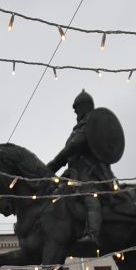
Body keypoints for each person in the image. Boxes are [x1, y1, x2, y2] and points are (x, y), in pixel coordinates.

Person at [45, 90, 113, 248]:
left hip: (92, 173)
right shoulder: (81, 126)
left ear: (84, 107)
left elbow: (73, 147)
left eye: (77, 108)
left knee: (90, 196)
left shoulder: (91, 123)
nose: (75, 112)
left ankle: (93, 233)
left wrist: (53, 164)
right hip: (75, 173)